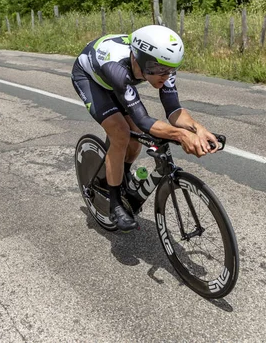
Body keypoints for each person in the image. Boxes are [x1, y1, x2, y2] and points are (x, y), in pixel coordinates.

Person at [71, 25, 218, 231]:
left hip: (120, 78)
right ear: (138, 58)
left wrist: (197, 129)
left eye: (170, 69)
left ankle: (122, 175)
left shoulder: (161, 64)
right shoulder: (119, 67)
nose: (165, 76)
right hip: (90, 78)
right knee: (121, 133)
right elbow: (143, 120)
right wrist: (180, 135)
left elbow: (173, 110)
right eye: (158, 69)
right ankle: (115, 204)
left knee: (136, 137)